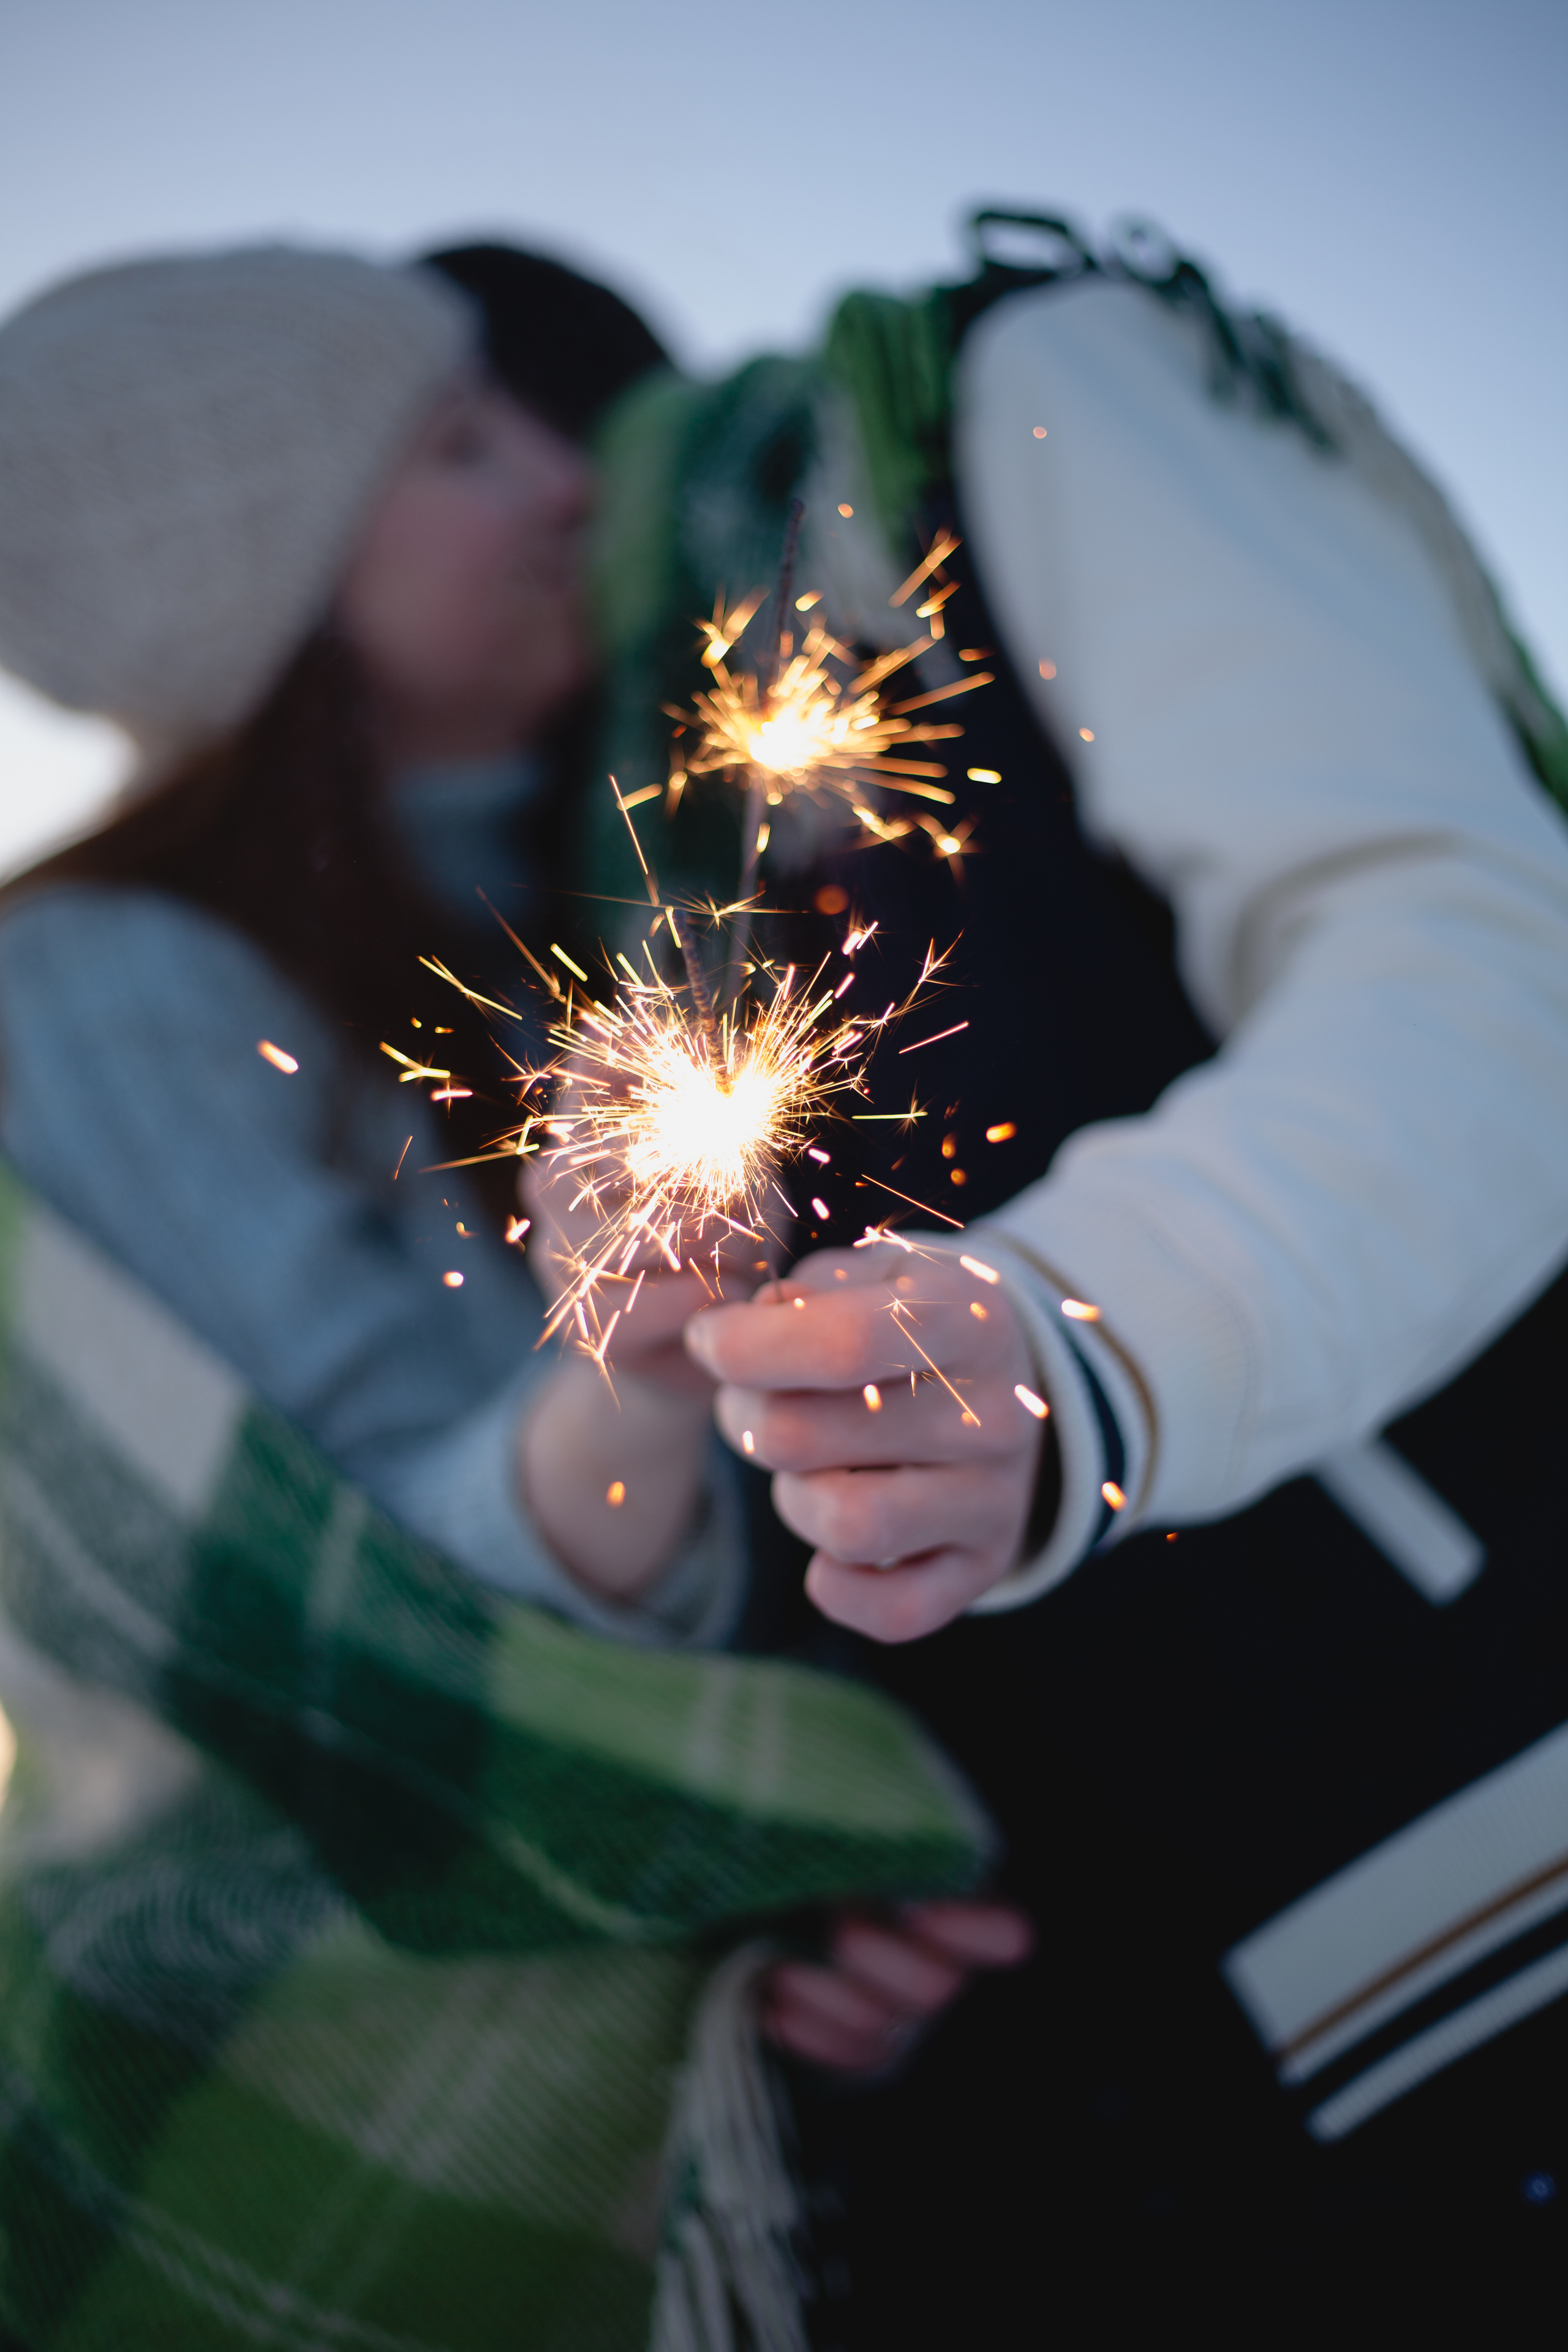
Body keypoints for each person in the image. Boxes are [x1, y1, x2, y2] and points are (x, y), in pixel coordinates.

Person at [0, 240, 1028, 2348]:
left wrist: (806, 1898)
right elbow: (382, 1605)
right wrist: (634, 1384)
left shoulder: (589, 884)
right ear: (265, 584)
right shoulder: (104, 988)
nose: (565, 483)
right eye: (457, 445)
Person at [580, 208, 1568, 2330]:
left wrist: (1089, 1336)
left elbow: (1490, 971)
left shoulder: (1022, 403)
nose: (506, 512)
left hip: (1501, 1856)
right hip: (1195, 2068)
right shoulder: (659, 830)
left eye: (466, 437)